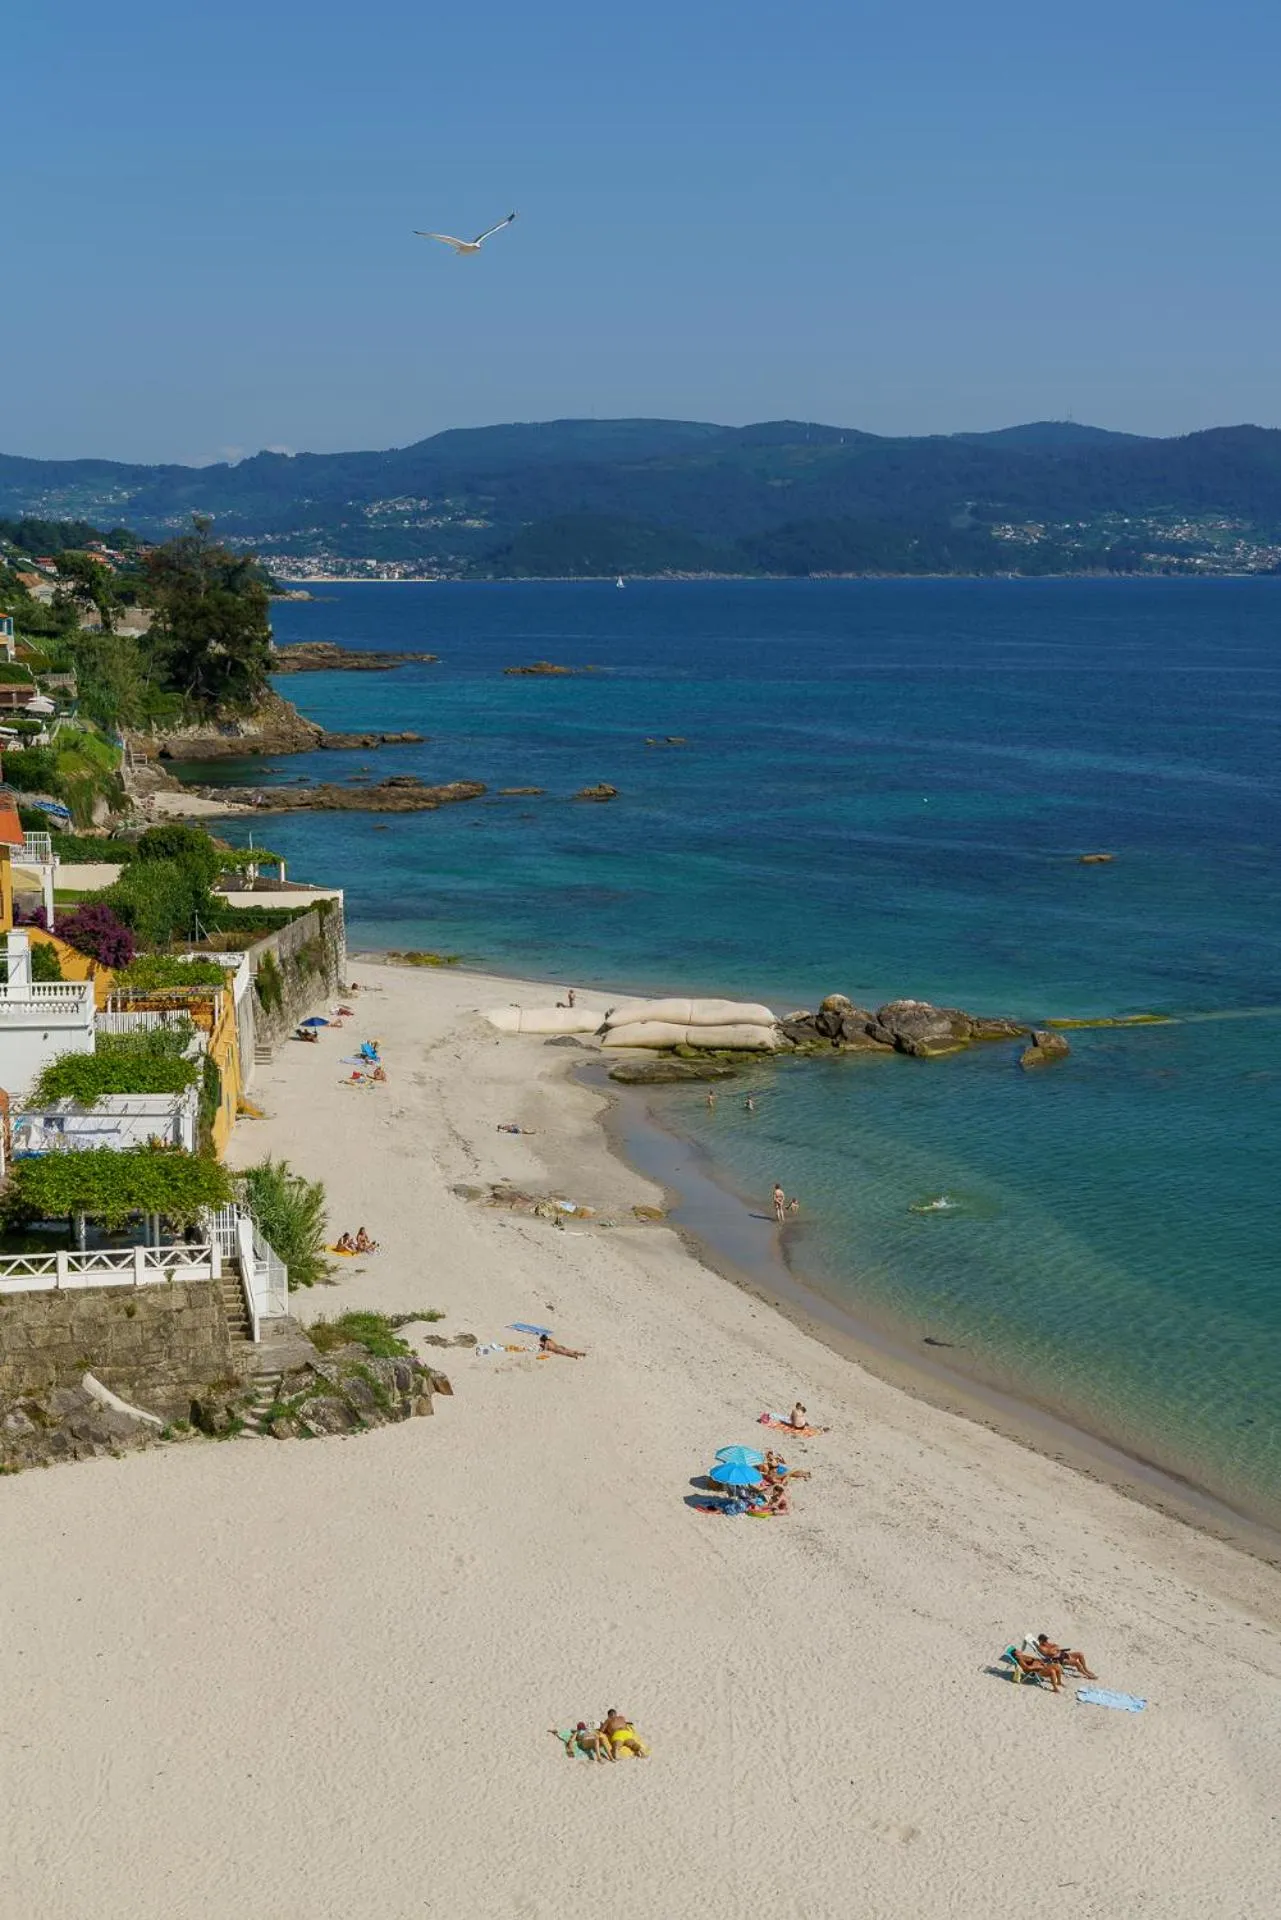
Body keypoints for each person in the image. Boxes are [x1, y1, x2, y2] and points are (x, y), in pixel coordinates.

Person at [1032, 1634, 1097, 1679]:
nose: (1047, 1641)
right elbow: (1051, 1652)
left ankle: (1086, 1669)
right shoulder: (1041, 1648)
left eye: (1046, 1640)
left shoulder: (1046, 1644)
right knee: (1076, 1663)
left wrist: (1054, 1648)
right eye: (1045, 1640)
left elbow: (1057, 1646)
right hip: (1058, 1659)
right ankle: (1087, 1675)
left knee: (1080, 1654)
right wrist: (1054, 1648)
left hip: (1062, 1654)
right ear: (1041, 1641)